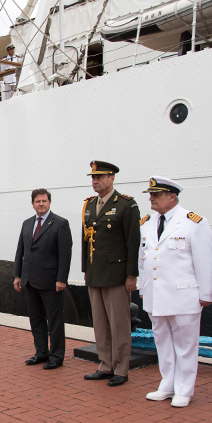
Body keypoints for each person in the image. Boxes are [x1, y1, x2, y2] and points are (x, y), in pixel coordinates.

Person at [138, 177, 212, 407]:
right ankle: (167, 384)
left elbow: (204, 260)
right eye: (150, 194)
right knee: (162, 341)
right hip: (155, 294)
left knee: (185, 344)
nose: (151, 198)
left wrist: (206, 293)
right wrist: (143, 286)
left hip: (183, 295)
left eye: (156, 195)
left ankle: (184, 389)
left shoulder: (193, 222)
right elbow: (144, 259)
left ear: (172, 197)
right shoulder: (146, 222)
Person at [81, 161, 141, 386]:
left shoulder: (126, 205)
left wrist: (131, 275)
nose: (95, 181)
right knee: (100, 323)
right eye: (93, 178)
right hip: (95, 273)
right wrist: (86, 269)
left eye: (100, 177)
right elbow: (86, 240)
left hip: (116, 275)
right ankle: (105, 364)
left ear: (112, 178)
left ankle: (121, 369)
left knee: (119, 324)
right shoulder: (89, 205)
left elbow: (132, 243)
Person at [13, 189, 73, 368]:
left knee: (54, 321)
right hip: (30, 280)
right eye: (38, 201)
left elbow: (65, 254)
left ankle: (56, 356)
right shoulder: (27, 223)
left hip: (51, 281)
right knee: (36, 319)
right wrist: (17, 275)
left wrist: (62, 279)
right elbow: (21, 252)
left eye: (44, 201)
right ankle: (41, 353)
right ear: (32, 204)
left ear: (49, 202)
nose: (41, 204)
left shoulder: (60, 223)